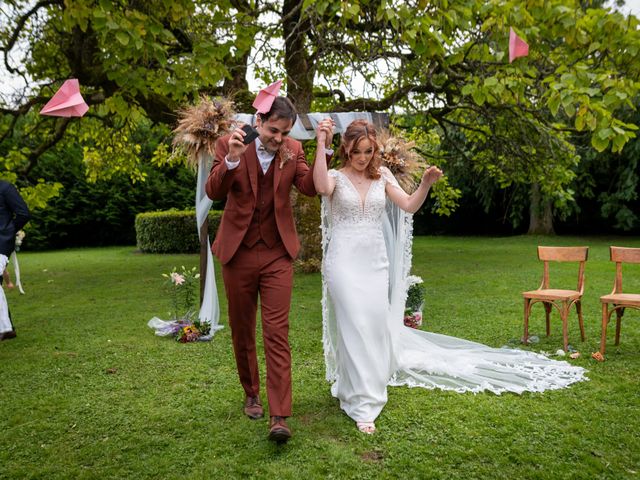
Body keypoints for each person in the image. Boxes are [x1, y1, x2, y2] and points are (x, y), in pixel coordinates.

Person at [313, 120, 586, 434]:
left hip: (374, 263)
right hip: (343, 263)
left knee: (371, 326)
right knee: (353, 324)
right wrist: (321, 142)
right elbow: (320, 188)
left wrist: (426, 183)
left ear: (374, 151)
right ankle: (363, 404)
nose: (362, 157)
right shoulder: (335, 176)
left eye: (368, 151)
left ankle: (354, 387)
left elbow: (408, 206)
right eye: (357, 151)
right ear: (346, 147)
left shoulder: (382, 176)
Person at [206, 95, 334, 443]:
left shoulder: (293, 149)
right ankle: (251, 392)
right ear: (259, 121)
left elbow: (309, 188)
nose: (278, 139)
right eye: (273, 131)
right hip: (238, 253)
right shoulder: (230, 142)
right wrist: (231, 160)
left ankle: (279, 415)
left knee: (277, 332)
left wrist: (323, 147)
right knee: (242, 328)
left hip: (278, 253)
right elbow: (214, 190)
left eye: (285, 132)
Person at [0, 181, 30, 341]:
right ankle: (6, 328)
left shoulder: (5, 188)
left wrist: (7, 231)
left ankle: (4, 328)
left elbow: (23, 213)